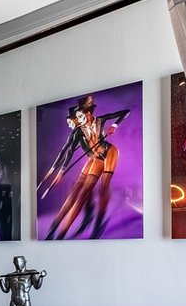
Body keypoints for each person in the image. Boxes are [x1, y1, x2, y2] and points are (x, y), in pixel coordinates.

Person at [39, 95, 129, 240]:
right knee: (79, 192)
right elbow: (67, 151)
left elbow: (125, 112)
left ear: (88, 113)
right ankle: (57, 230)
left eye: (80, 115)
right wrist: (59, 171)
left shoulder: (100, 120)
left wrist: (114, 125)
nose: (78, 119)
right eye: (77, 116)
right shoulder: (79, 131)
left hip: (109, 152)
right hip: (95, 158)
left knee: (103, 187)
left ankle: (98, 223)